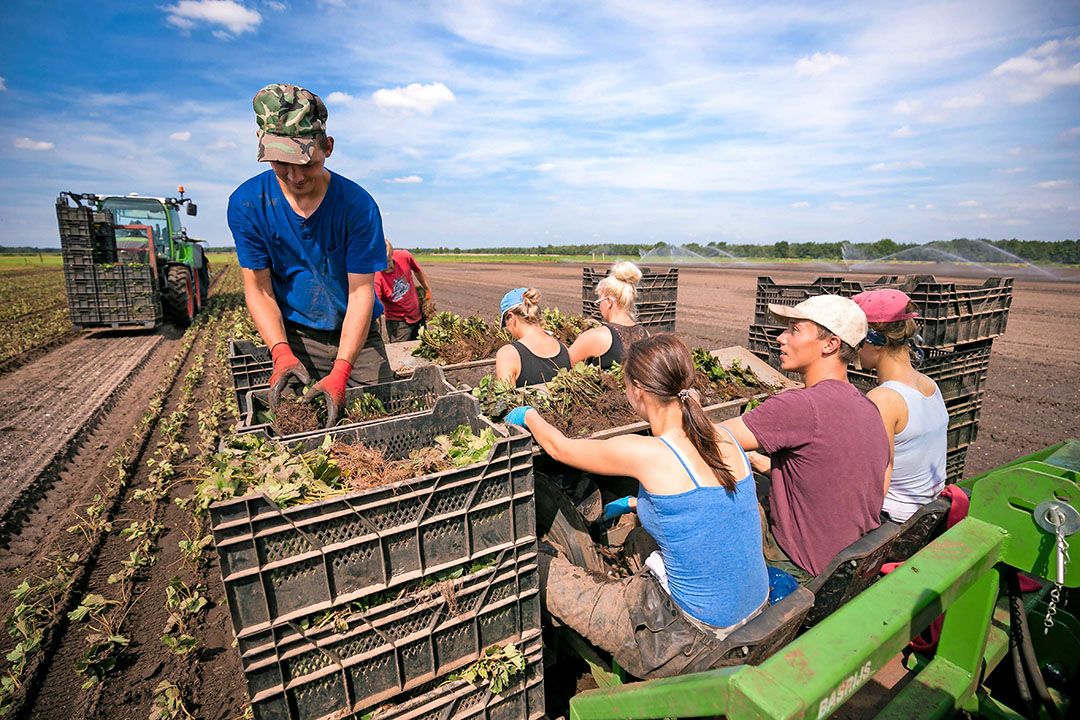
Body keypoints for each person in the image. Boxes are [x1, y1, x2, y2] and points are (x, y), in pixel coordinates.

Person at [504, 334, 769, 678]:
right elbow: (697, 507)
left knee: (536, 565)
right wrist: (634, 502)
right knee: (639, 540)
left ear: (638, 390)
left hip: (691, 638)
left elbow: (562, 450)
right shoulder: (724, 437)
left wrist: (530, 416)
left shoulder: (646, 453)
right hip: (754, 609)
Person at [227, 83, 392, 427]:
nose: (295, 176)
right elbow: (258, 289)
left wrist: (343, 368)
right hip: (296, 335)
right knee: (297, 428)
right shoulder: (247, 204)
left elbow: (362, 292)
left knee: (376, 419)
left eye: (307, 162)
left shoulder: (357, 206)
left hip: (358, 336)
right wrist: (281, 352)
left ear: (327, 147)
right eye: (281, 163)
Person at [720, 294, 890, 583]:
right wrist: (764, 463)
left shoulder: (801, 405)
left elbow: (709, 438)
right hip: (845, 566)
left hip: (798, 568)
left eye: (794, 330)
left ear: (830, 344)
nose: (780, 339)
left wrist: (687, 404)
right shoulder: (868, 406)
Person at [853, 289, 948, 523]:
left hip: (895, 519)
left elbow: (878, 479)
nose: (854, 347)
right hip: (929, 513)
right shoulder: (930, 385)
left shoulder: (884, 399)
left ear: (875, 342)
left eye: (857, 339)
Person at [569, 261, 649, 368]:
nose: (599, 305)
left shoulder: (596, 337)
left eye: (600, 300)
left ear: (609, 302)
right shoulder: (646, 335)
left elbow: (564, 365)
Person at [494, 287, 572, 387]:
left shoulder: (508, 355)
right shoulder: (564, 349)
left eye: (506, 324)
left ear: (511, 317)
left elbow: (504, 400)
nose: (508, 330)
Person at [375, 239, 434, 342]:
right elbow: (374, 308)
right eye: (382, 264)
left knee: (424, 348)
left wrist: (427, 289)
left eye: (388, 261)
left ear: (392, 255)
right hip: (398, 323)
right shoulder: (376, 278)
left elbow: (417, 270)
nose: (386, 266)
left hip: (417, 315)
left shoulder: (404, 256)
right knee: (401, 352)